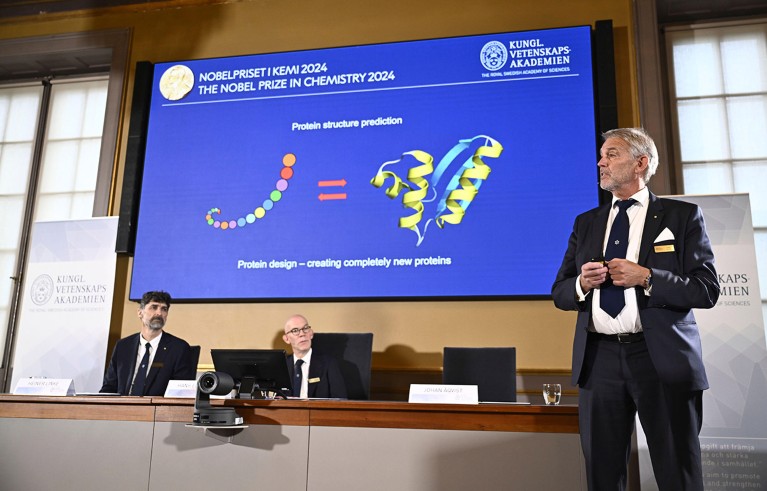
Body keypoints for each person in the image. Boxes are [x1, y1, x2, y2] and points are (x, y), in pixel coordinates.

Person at [551, 128, 719, 491]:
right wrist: (583, 284)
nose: (601, 162)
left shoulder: (682, 216)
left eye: (611, 154)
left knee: (678, 471)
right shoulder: (587, 223)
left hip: (659, 357)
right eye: (601, 155)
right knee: (602, 473)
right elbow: (560, 292)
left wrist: (647, 277)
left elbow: (707, 290)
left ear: (641, 163)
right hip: (599, 361)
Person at [100, 291, 196, 396]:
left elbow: (181, 393)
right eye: (154, 307)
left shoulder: (179, 348)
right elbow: (109, 387)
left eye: (164, 309)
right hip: (123, 409)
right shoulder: (123, 346)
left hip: (158, 410)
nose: (159, 313)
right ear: (140, 312)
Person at [283, 314, 347, 398]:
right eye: (295, 331)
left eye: (305, 328)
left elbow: (340, 401)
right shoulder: (282, 366)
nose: (302, 334)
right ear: (287, 339)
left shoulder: (329, 364)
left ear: (311, 334)